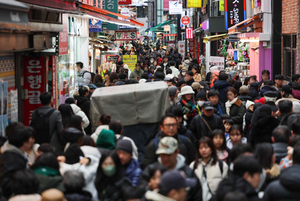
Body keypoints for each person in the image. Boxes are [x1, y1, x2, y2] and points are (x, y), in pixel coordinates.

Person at [0, 126, 35, 198]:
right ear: (25, 143)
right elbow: (6, 184)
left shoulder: (14, 154)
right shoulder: (12, 159)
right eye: (30, 138)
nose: (33, 140)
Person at [190, 137, 228, 201]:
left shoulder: (221, 165)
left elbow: (226, 185)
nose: (203, 150)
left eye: (206, 147)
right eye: (201, 148)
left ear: (212, 149)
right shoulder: (193, 165)